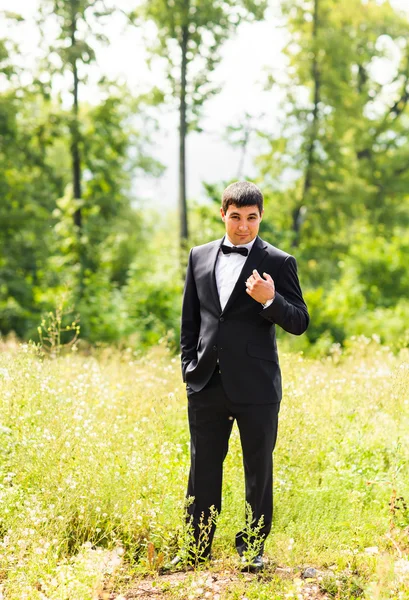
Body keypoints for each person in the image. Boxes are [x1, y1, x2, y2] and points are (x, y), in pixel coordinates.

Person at [179, 181, 309, 572]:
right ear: (223, 214)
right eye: (235, 217)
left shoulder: (279, 262)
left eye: (251, 218)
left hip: (256, 387)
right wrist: (189, 368)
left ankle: (251, 549)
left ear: (261, 217)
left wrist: (269, 300)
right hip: (206, 383)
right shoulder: (199, 256)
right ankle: (196, 549)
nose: (243, 227)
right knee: (202, 468)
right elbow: (190, 321)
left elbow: (300, 322)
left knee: (258, 469)